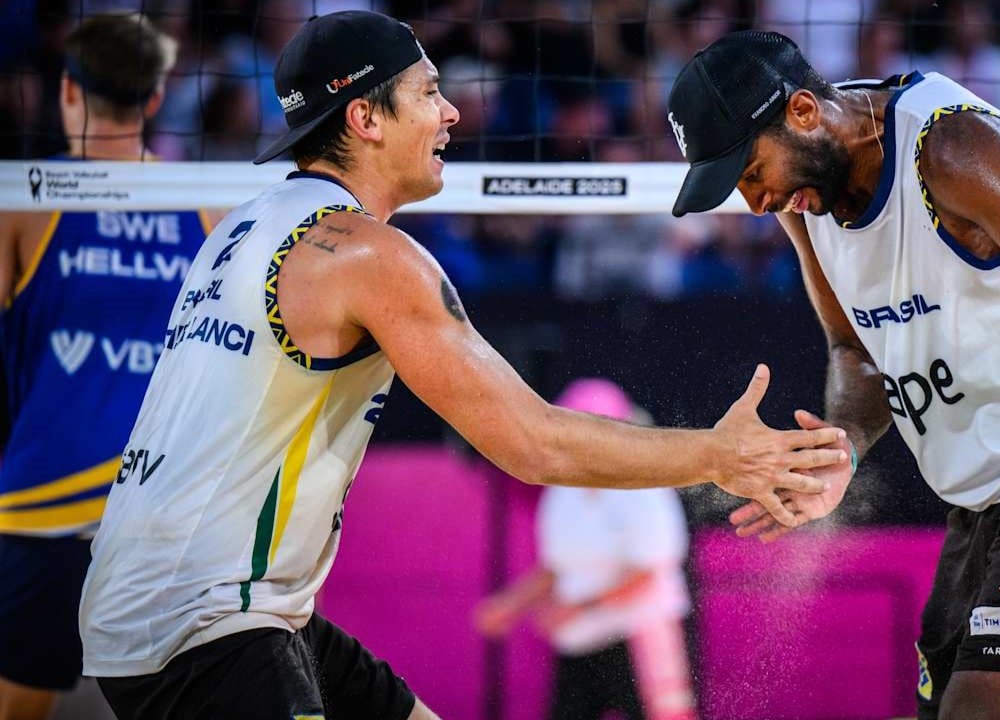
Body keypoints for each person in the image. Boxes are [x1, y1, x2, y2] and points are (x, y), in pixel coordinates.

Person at [76, 12, 848, 720]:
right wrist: (718, 455)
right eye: (430, 92)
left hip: (199, 601)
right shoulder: (366, 255)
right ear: (364, 118)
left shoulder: (240, 225)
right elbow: (532, 442)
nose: (451, 113)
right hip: (206, 622)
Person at [666, 31, 1000, 720]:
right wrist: (845, 449)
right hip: (991, 485)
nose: (754, 202)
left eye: (748, 172)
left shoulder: (951, 151)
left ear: (803, 112)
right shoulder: (807, 198)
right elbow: (854, 351)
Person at [0, 13, 209, 720]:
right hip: (164, 508)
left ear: (67, 91)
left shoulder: (23, 199)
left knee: (18, 704)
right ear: (154, 99)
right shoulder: (210, 204)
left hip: (42, 500)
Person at [475, 378, 698, 720]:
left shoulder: (644, 485)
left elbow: (648, 573)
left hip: (640, 636)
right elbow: (557, 568)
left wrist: (579, 606)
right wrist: (512, 604)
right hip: (579, 643)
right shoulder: (562, 492)